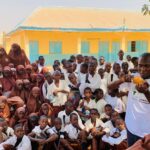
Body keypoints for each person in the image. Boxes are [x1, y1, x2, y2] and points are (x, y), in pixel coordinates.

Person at [108, 53, 150, 146]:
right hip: (131, 127)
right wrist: (122, 80)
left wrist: (146, 92)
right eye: (140, 66)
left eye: (147, 66)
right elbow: (110, 87)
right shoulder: (134, 77)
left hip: (146, 133)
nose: (143, 69)